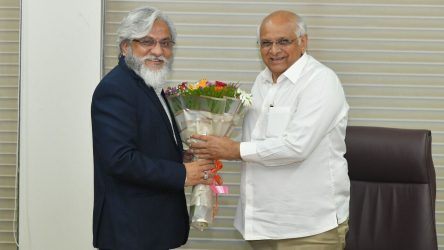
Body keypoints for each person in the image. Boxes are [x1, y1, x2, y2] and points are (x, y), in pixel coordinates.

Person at [191, 10, 350, 249]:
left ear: (303, 42)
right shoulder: (262, 82)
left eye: (283, 41)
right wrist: (209, 145)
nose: (274, 50)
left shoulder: (321, 81)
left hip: (308, 229)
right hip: (260, 225)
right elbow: (256, 141)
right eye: (266, 43)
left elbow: (296, 147)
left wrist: (234, 150)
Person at [91, 6, 215, 250]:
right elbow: (119, 160)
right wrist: (181, 173)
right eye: (147, 42)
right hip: (131, 232)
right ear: (125, 46)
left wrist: (182, 156)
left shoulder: (148, 83)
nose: (158, 51)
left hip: (151, 229)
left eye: (166, 43)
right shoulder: (116, 89)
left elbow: (146, 143)